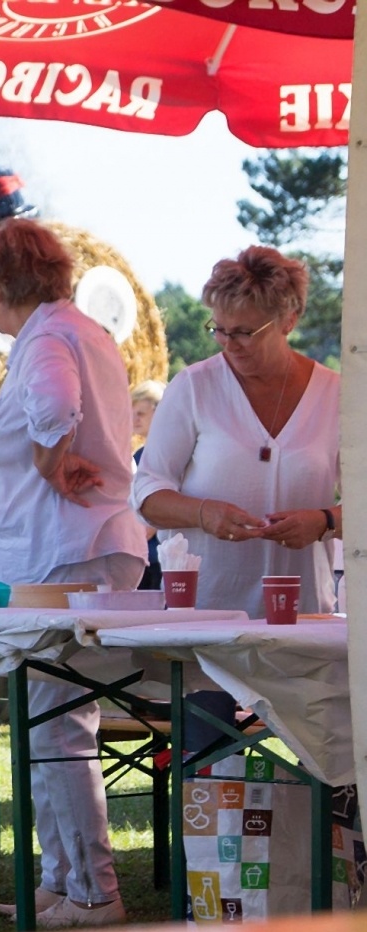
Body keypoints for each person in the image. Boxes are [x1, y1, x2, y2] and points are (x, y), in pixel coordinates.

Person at [0, 218, 147, 930]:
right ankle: (63, 879)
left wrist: (50, 456)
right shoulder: (80, 329)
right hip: (78, 546)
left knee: (58, 724)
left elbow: (54, 404)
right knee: (52, 722)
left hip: (63, 551)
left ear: (0, 287)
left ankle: (95, 893)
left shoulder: (43, 338)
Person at [132, 247, 339, 745]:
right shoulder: (194, 387)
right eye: (219, 329)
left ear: (290, 318)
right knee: (205, 769)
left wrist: (324, 521)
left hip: (302, 617)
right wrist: (204, 514)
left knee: (314, 769)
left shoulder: (337, 394)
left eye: (245, 331)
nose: (229, 344)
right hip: (209, 617)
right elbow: (146, 491)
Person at [131, 380, 167, 590]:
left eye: (141, 413)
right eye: (133, 412)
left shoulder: (162, 455)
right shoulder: (139, 454)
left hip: (155, 558)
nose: (134, 419)